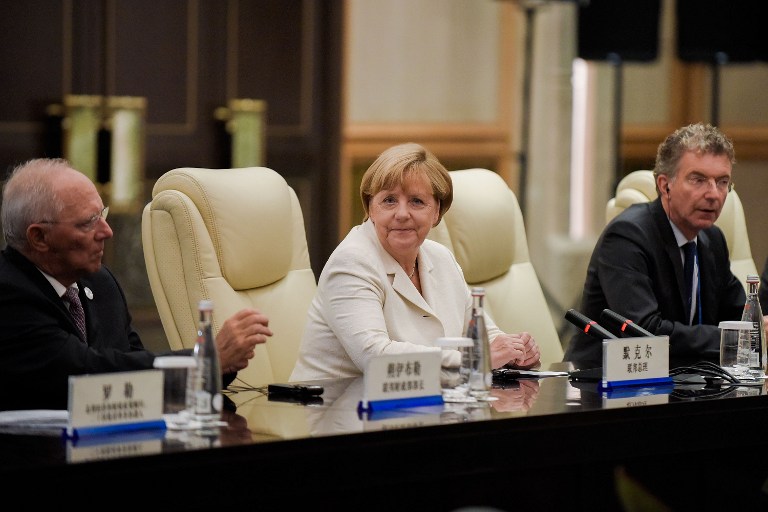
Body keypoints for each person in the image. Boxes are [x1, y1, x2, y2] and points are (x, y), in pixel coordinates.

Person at [0, 158, 273, 410]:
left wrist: (220, 366)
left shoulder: (100, 282)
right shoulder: (9, 292)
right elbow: (82, 372)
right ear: (39, 238)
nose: (106, 231)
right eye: (87, 223)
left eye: (101, 215)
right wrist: (204, 363)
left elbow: (136, 368)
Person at [290, 142, 540, 382]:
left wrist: (514, 350)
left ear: (436, 212)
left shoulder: (441, 258)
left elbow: (481, 334)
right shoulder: (352, 263)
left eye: (417, 201)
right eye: (389, 200)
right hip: (340, 413)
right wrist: (478, 358)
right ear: (371, 207)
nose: (401, 214)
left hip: (419, 407)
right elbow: (374, 357)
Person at [564, 122, 750, 369]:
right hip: (603, 389)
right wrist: (732, 338)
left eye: (723, 182)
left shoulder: (712, 240)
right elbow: (645, 332)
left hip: (684, 384)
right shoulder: (627, 236)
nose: (714, 194)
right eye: (698, 179)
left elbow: (738, 316)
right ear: (665, 185)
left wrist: (756, 329)